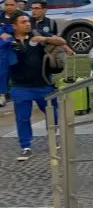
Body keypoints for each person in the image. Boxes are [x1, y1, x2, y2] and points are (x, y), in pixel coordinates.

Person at [5, 13, 71, 160]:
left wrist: (44, 39)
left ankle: (53, 137)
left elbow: (61, 41)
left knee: (52, 113)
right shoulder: (8, 39)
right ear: (14, 26)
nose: (27, 24)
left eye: (28, 21)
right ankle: (25, 146)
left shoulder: (37, 33)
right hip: (20, 86)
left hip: (43, 84)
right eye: (23, 22)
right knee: (22, 118)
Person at [0, 0, 26, 108]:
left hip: (19, 47)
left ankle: (20, 92)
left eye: (11, 5)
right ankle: (2, 94)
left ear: (16, 5)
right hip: (3, 50)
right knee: (2, 72)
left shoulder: (23, 16)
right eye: (7, 5)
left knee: (19, 70)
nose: (9, 7)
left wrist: (13, 36)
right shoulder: (0, 16)